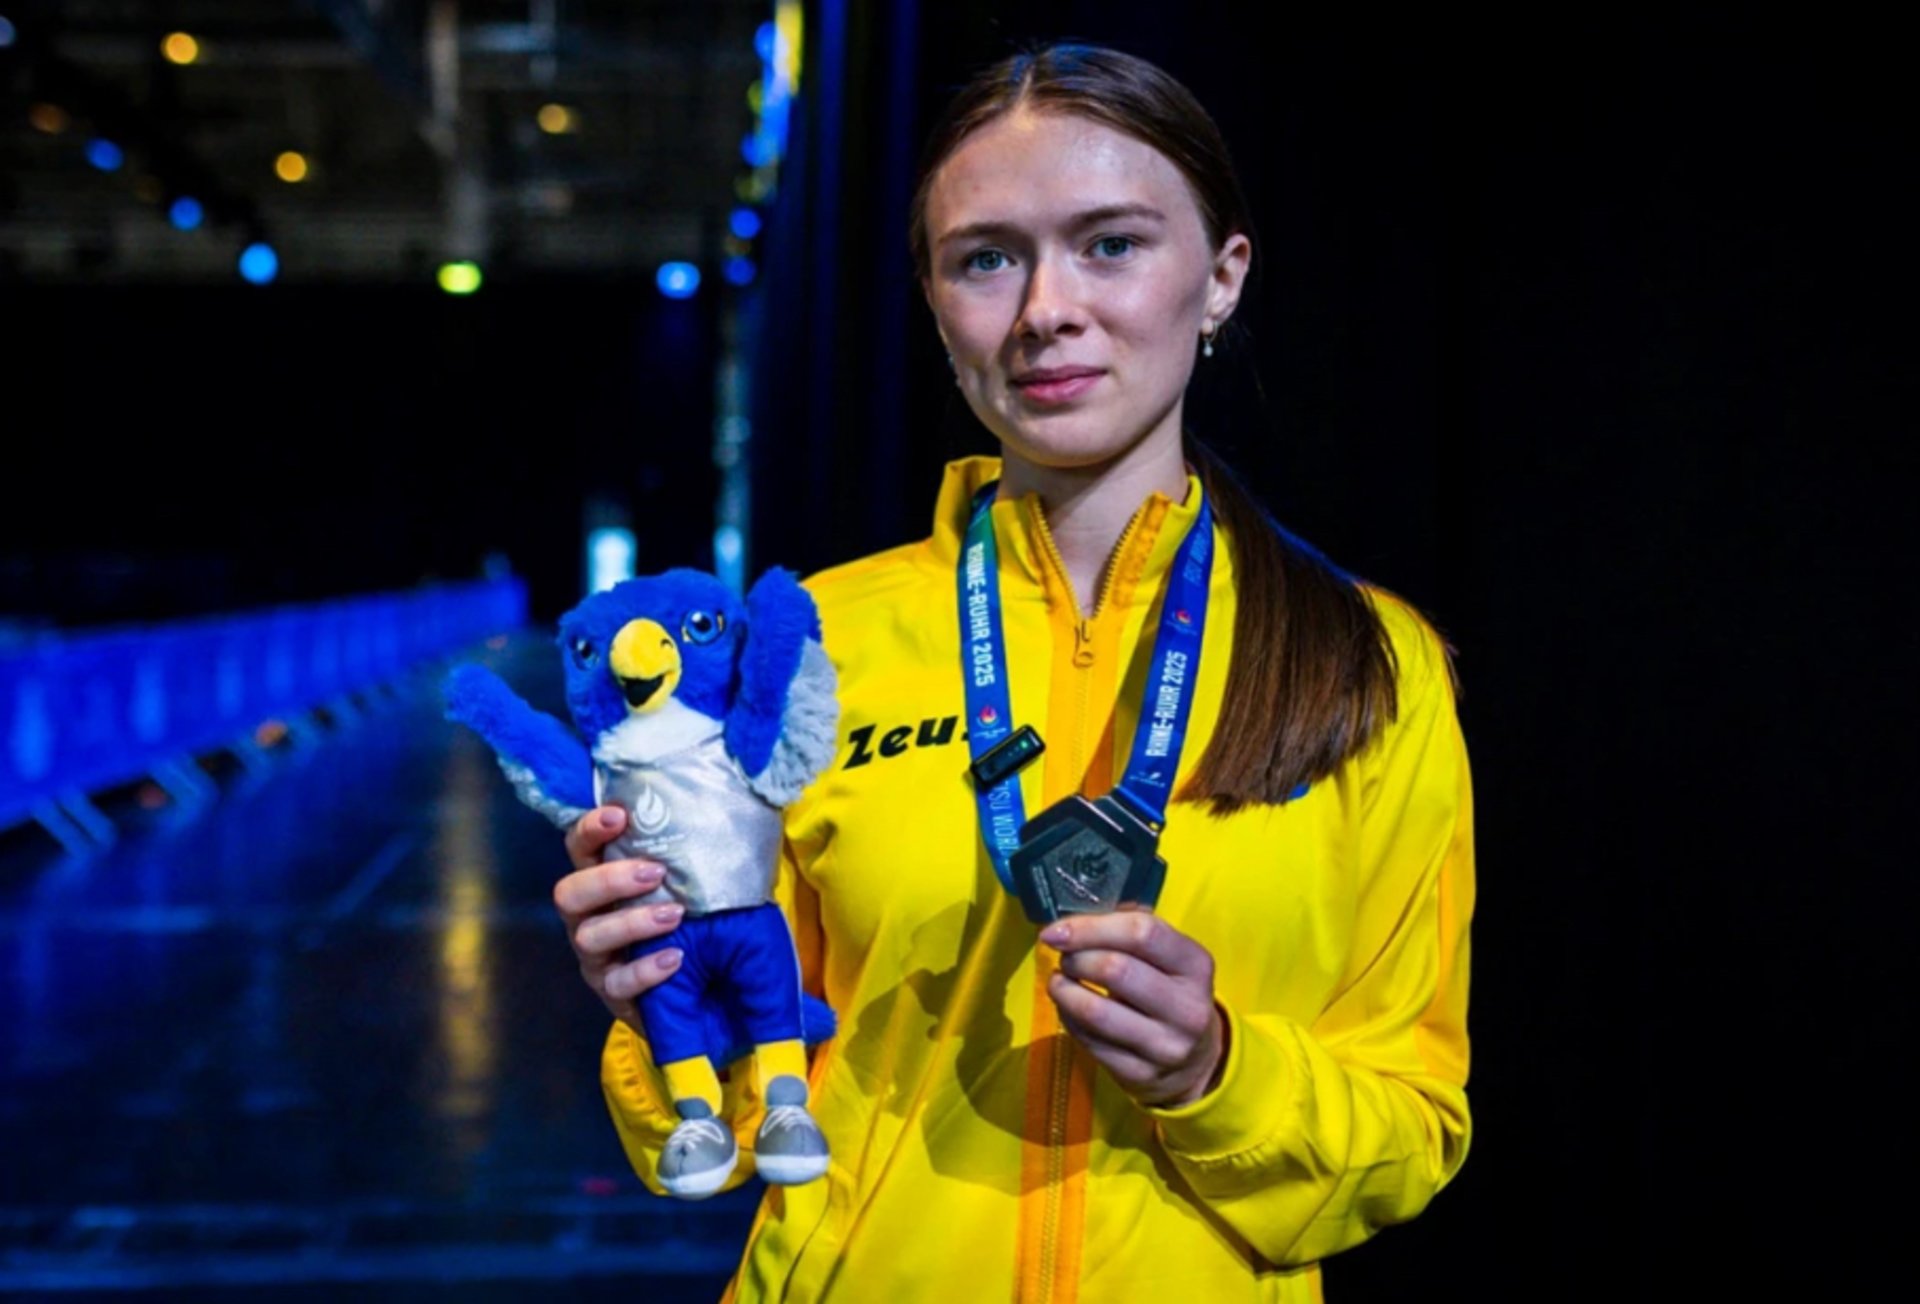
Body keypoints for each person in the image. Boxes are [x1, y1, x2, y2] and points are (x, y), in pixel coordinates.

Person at [552, 43, 1473, 1302]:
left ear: (1221, 278)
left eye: (1111, 244)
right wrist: (663, 999)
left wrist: (1215, 1070)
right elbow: (734, 1113)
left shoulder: (1367, 661)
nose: (1046, 308)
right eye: (986, 259)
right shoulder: (801, 649)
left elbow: (1411, 1125)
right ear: (937, 307)